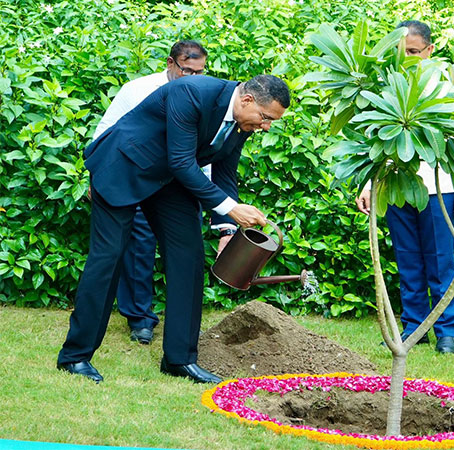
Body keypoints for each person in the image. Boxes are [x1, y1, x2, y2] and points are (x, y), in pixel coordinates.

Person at [57, 74, 290, 383]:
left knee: (189, 258)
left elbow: (224, 169)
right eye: (265, 118)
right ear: (247, 100)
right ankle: (75, 357)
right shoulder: (191, 93)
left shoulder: (242, 120)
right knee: (108, 259)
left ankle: (180, 359)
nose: (266, 126)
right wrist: (231, 208)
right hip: (126, 166)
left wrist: (226, 228)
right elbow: (181, 161)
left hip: (168, 179)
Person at [92, 40, 234, 346]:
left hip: (178, 183)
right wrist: (100, 176)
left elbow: (208, 157)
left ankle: (180, 348)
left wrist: (222, 217)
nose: (194, 77)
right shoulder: (137, 89)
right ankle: (140, 318)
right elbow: (109, 131)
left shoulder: (207, 97)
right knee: (136, 249)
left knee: (186, 250)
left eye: (200, 71)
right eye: (187, 70)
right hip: (134, 178)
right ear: (171, 63)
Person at [356, 20, 454, 354]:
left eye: (413, 52)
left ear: (429, 51)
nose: (407, 58)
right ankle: (414, 328)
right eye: (401, 52)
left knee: (441, 263)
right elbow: (375, 143)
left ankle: (446, 332)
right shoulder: (384, 89)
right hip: (397, 188)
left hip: (439, 189)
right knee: (408, 260)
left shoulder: (447, 90)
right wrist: (371, 184)